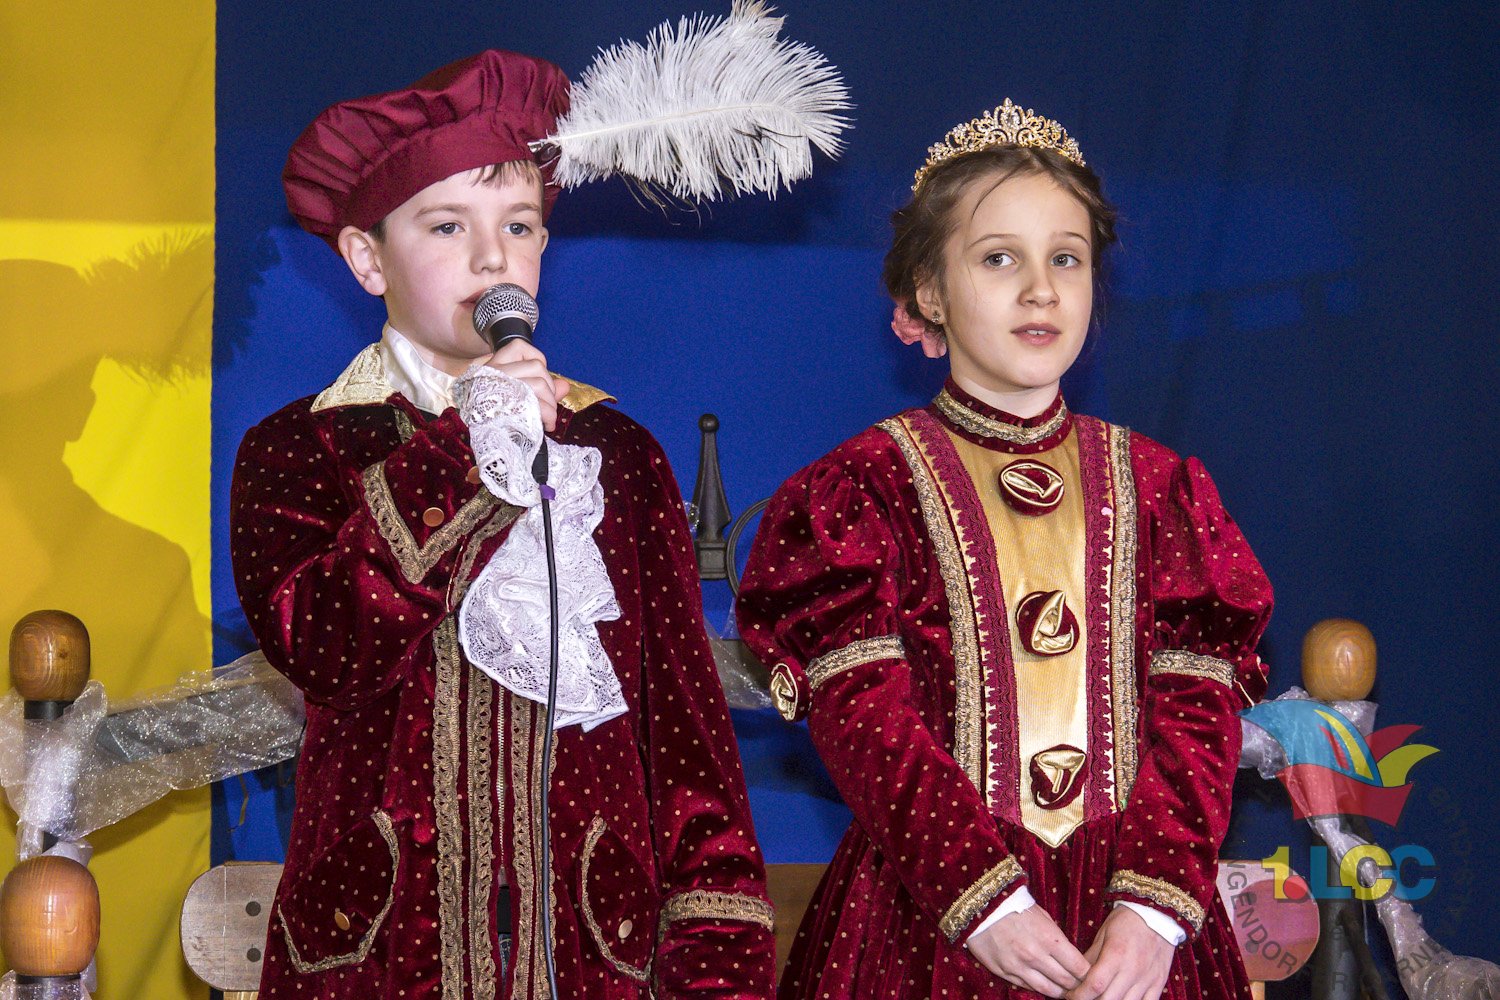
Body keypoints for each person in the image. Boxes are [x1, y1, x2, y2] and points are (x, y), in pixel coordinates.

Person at [231, 50, 775, 999]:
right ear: (367, 258)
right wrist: (470, 446)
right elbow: (321, 643)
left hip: (588, 958)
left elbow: (685, 736)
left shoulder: (617, 453)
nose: (492, 259)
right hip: (377, 961)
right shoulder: (301, 448)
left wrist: (717, 962)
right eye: (448, 226)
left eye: (517, 226)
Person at [736, 100, 1272, 1000]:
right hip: (932, 919)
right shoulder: (864, 489)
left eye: (1066, 258)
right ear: (928, 291)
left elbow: (1197, 714)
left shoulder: (1162, 490)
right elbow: (868, 722)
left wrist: (1153, 912)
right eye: (998, 258)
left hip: (1136, 931)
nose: (1041, 290)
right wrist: (985, 902)